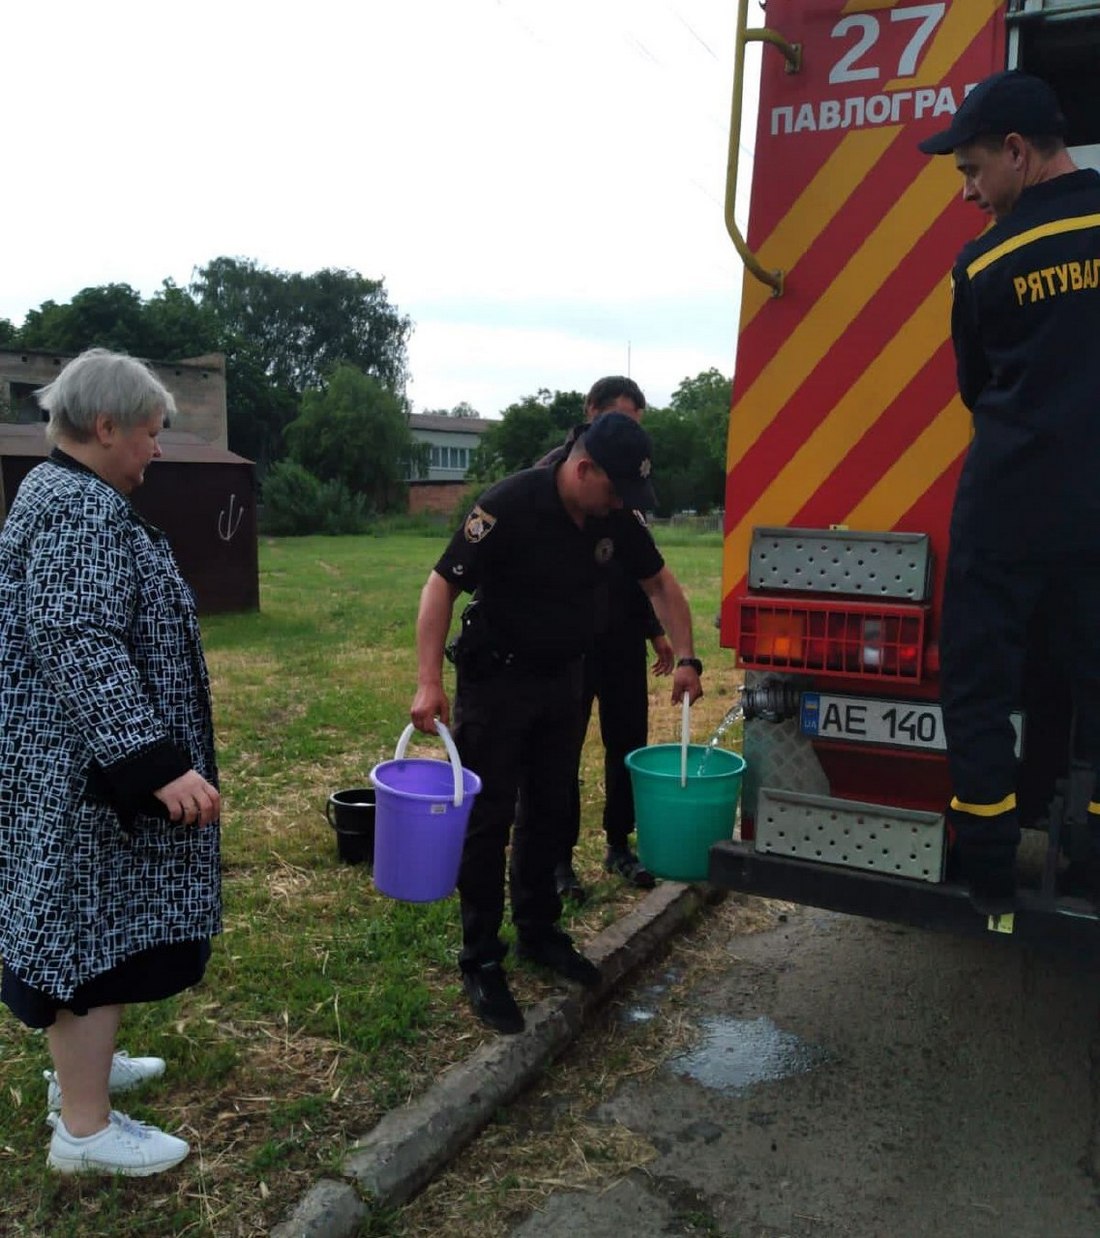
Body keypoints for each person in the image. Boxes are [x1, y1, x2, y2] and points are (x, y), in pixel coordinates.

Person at [0, 348, 222, 1175]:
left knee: (95, 921)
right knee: (85, 935)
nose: (157, 450)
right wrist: (152, 762)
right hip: (83, 772)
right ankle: (84, 1133)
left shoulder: (63, 492)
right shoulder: (75, 508)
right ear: (105, 428)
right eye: (152, 434)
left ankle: (82, 1071)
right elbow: (78, 639)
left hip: (76, 762)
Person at [410, 413, 703, 1034]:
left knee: (548, 808)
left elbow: (660, 583)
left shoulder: (613, 518)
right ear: (584, 467)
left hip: (563, 680)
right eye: (615, 488)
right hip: (497, 683)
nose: (622, 502)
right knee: (487, 820)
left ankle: (538, 931)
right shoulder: (509, 503)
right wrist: (429, 681)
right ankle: (481, 956)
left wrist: (689, 655)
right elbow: (441, 586)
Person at [918, 71, 1100, 912]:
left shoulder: (983, 263)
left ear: (1019, 153)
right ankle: (1092, 841)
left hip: (1011, 502)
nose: (966, 194)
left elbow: (975, 384)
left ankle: (990, 866)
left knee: (982, 681)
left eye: (971, 171)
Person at [537, 377, 674, 901]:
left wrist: (656, 632)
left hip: (621, 638)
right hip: (571, 641)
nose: (626, 433)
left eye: (635, 426)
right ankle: (557, 860)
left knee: (627, 743)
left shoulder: (624, 486)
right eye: (617, 418)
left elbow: (642, 570)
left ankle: (619, 842)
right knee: (560, 754)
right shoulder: (556, 475)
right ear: (590, 412)